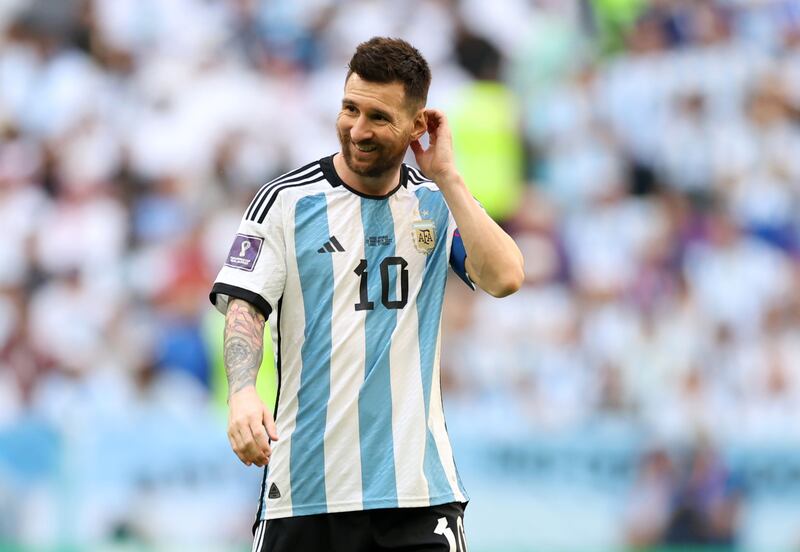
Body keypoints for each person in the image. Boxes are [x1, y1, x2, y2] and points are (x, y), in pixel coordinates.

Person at [209, 36, 524, 552]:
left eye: (378, 116)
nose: (357, 129)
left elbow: (506, 277)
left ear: (417, 125)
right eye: (349, 108)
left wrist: (447, 175)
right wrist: (243, 391)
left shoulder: (434, 203)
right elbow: (246, 304)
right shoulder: (286, 201)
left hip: (417, 497)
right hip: (306, 494)